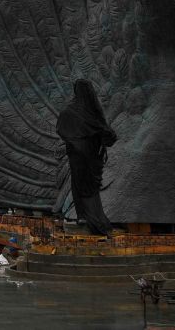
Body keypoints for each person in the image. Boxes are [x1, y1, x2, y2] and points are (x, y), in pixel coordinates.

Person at [55, 79, 117, 236]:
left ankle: (86, 217)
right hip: (90, 159)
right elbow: (107, 134)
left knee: (80, 187)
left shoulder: (71, 111)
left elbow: (63, 128)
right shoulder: (92, 112)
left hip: (80, 159)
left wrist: (77, 142)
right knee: (90, 190)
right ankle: (91, 217)